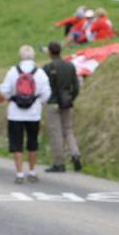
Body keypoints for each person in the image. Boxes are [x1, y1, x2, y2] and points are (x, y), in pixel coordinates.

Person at [0, 45, 51, 183]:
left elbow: (4, 90)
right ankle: (32, 171)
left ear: (20, 56)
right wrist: (38, 101)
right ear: (34, 56)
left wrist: (11, 98)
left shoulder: (12, 71)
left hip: (15, 113)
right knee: (32, 142)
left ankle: (19, 173)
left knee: (17, 143)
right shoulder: (39, 73)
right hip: (34, 113)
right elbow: (47, 94)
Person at [42, 41, 81, 173]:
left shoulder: (47, 67)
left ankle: (59, 163)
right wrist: (71, 98)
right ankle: (75, 153)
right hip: (67, 102)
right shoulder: (70, 66)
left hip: (53, 103)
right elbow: (76, 87)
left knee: (56, 133)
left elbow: (43, 87)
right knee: (68, 130)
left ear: (50, 52)